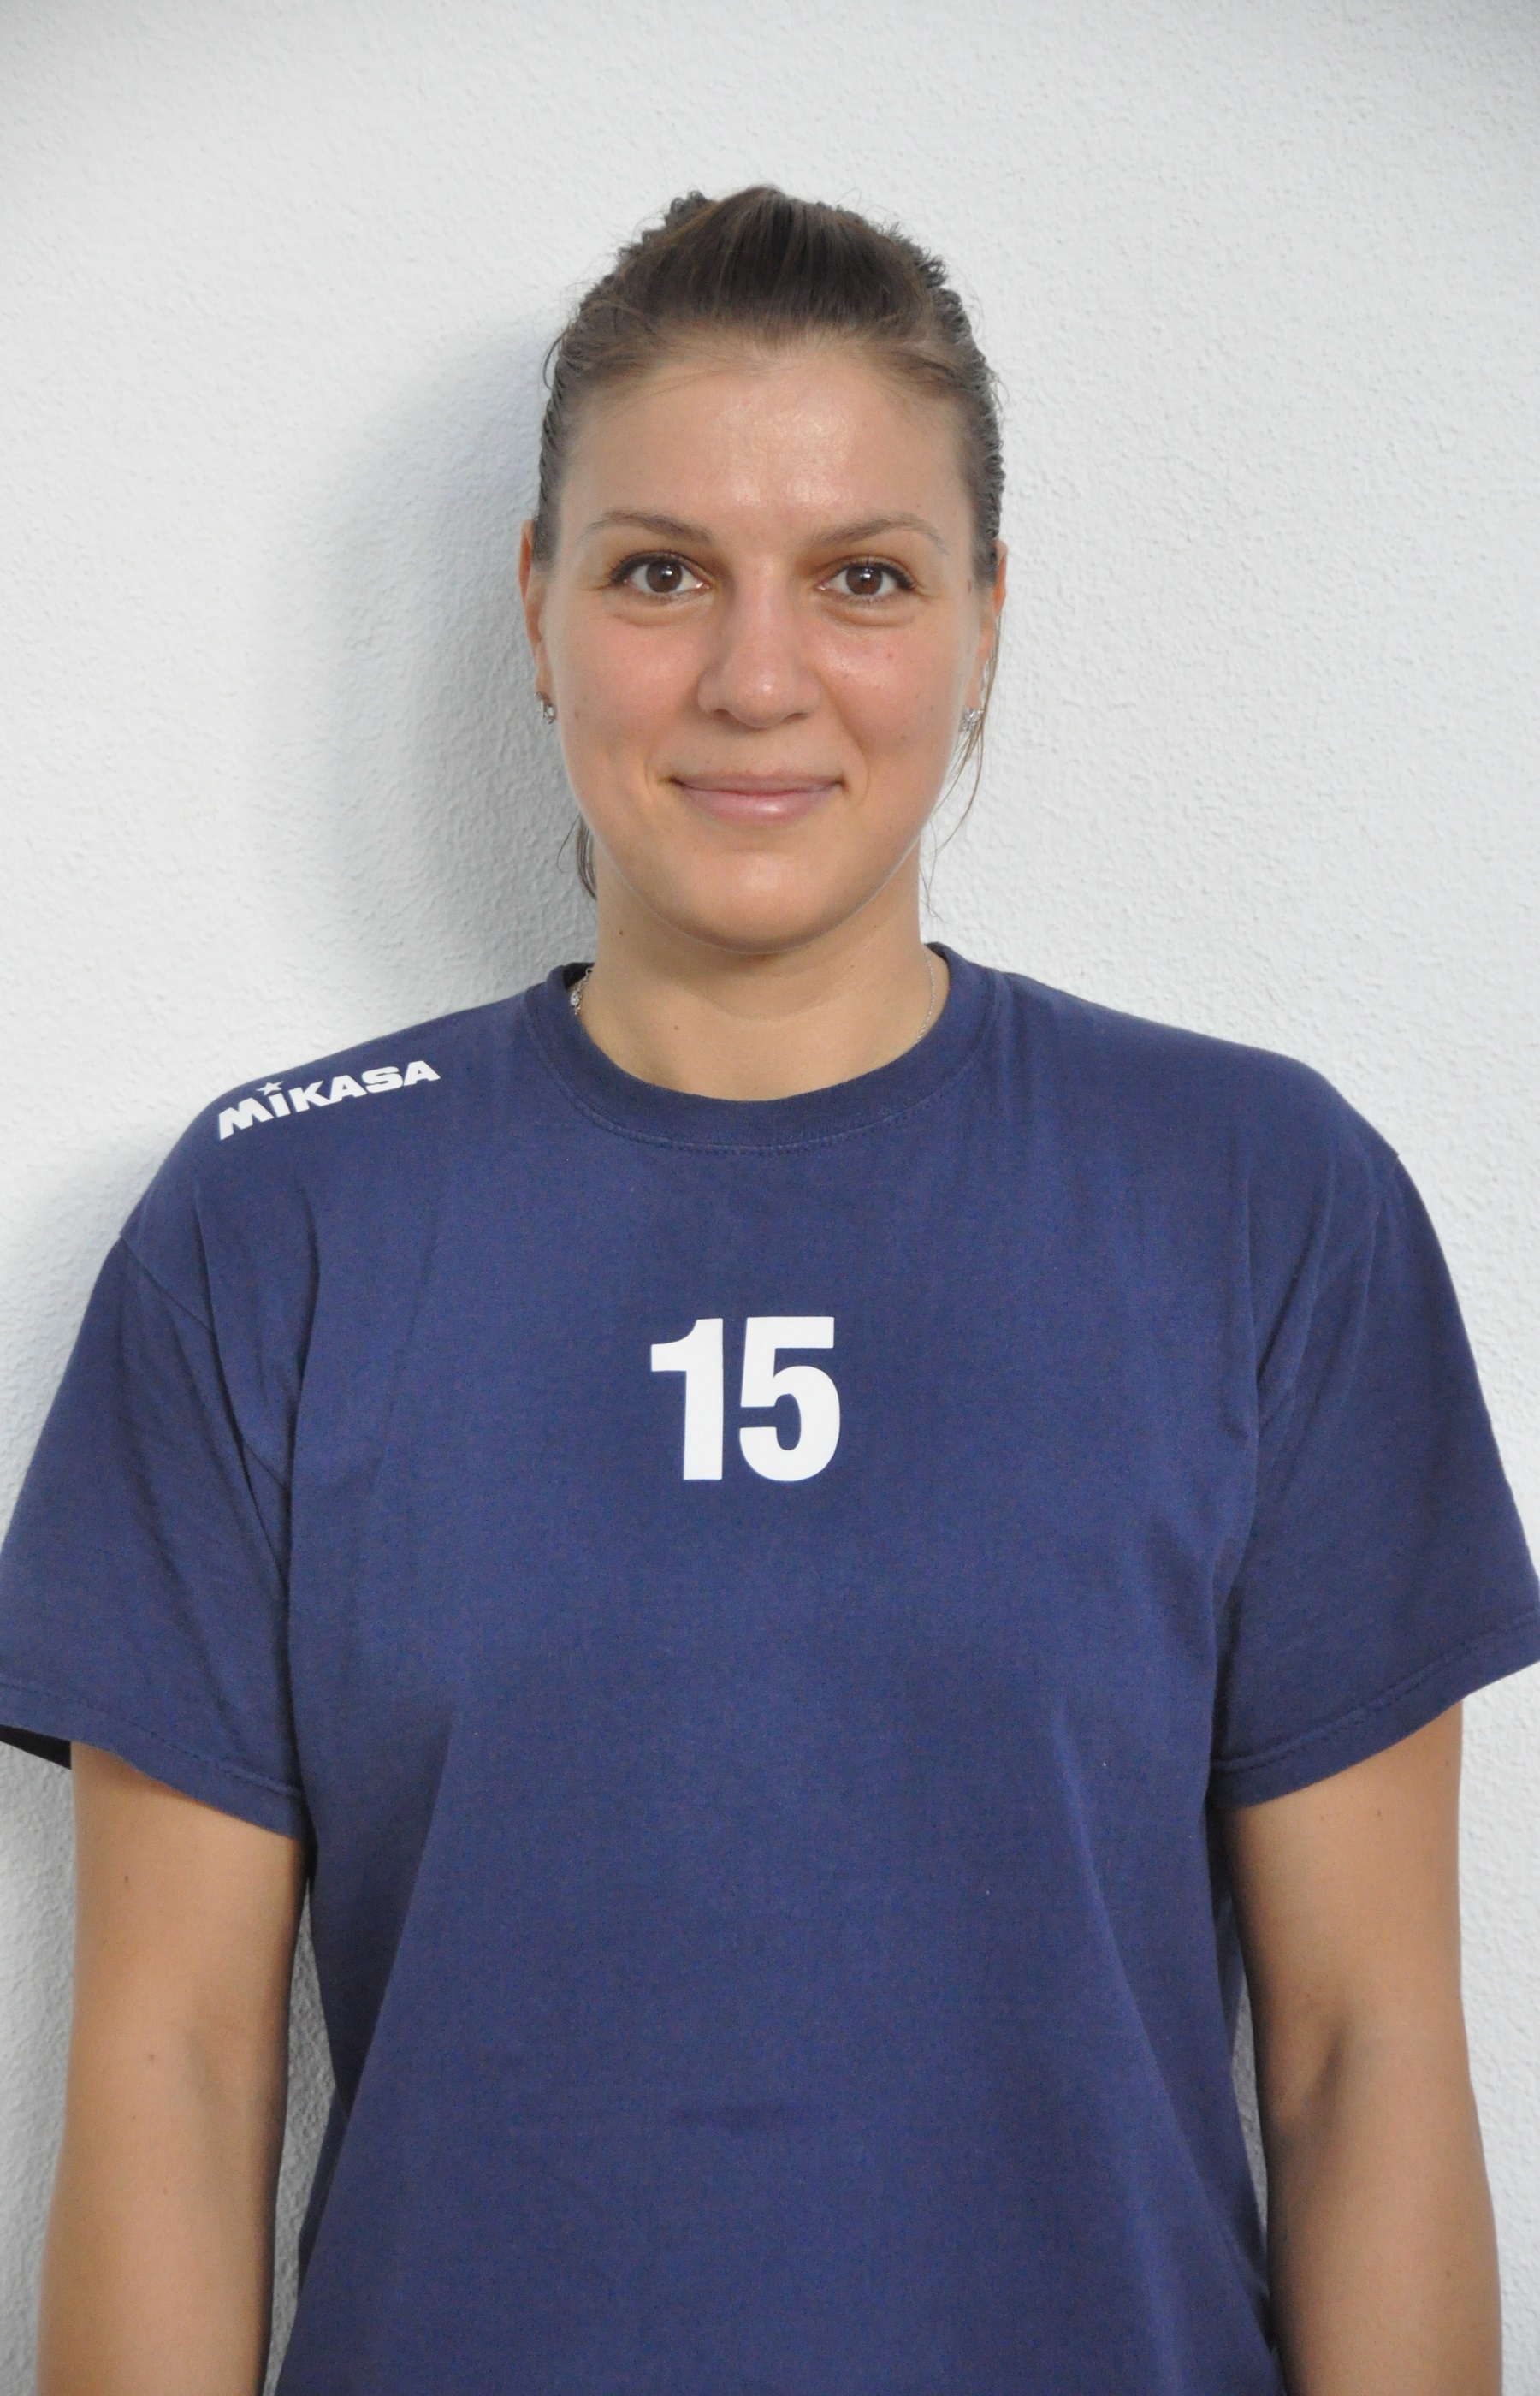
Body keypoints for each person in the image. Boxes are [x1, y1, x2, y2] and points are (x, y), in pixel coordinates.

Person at [1, 186, 1535, 2396]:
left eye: (864, 578)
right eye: (659, 573)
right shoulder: (278, 1226)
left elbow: (1362, 2053)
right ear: (537, 610)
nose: (755, 676)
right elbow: (175, 2070)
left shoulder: (1263, 1204)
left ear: (988, 619)